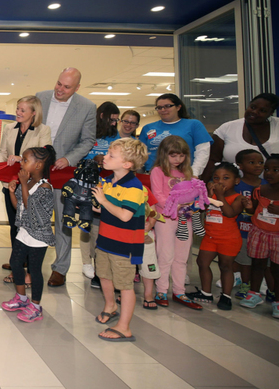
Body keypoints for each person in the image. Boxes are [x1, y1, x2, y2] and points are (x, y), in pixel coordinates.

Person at [36, 67, 96, 287]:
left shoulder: (87, 107)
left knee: (63, 221)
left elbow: (87, 141)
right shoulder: (40, 97)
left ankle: (60, 268)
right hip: (37, 170)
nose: (60, 89)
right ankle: (31, 262)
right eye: (59, 83)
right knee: (35, 218)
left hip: (63, 173)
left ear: (77, 88)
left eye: (67, 87)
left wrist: (69, 159)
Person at [91, 138, 149, 342]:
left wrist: (103, 200)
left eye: (111, 155)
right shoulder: (107, 181)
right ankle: (110, 306)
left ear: (127, 164)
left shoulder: (134, 187)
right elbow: (100, 209)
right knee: (104, 275)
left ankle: (124, 327)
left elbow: (125, 215)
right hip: (105, 239)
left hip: (125, 245)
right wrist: (92, 202)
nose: (105, 157)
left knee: (125, 285)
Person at [0, 96, 52, 283]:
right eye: (17, 109)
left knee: (31, 227)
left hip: (33, 187)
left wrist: (20, 158)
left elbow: (46, 155)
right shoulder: (8, 128)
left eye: (22, 110)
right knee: (16, 226)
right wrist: (0, 169)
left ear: (33, 112)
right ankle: (17, 266)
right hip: (11, 185)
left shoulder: (43, 130)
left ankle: (30, 271)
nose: (18, 112)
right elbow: (2, 153)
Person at [1, 146, 57, 322]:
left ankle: (36, 306)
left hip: (38, 235)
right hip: (24, 230)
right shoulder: (29, 182)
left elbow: (32, 209)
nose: (21, 163)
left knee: (34, 270)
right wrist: (12, 192)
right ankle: (21, 298)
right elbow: (20, 207)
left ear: (38, 165)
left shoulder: (45, 188)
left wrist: (23, 184)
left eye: (25, 160)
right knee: (15, 263)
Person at [151, 136, 203, 310]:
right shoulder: (158, 171)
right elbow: (157, 196)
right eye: (173, 156)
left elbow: (193, 194)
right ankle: (161, 290)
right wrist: (176, 206)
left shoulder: (187, 173)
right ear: (164, 155)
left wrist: (192, 204)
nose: (178, 160)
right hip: (165, 219)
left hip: (184, 219)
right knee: (165, 256)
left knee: (181, 257)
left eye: (181, 156)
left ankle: (179, 291)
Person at [187, 162, 245, 311]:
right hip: (210, 237)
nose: (220, 181)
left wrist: (219, 195)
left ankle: (226, 296)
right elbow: (201, 209)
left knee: (225, 266)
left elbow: (230, 213)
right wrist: (207, 194)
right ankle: (206, 293)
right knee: (202, 262)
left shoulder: (238, 198)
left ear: (236, 180)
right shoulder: (211, 195)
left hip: (229, 239)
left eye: (226, 178)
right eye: (216, 178)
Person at [79, 101, 120, 283]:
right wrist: (93, 159)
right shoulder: (87, 130)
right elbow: (78, 153)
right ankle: (86, 261)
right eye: (111, 120)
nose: (114, 124)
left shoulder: (115, 135)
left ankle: (100, 264)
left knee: (102, 224)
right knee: (87, 222)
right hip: (88, 183)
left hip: (109, 185)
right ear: (101, 116)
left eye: (116, 121)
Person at [202, 93, 279, 181]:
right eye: (252, 107)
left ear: (271, 113)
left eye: (262, 110)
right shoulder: (227, 128)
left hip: (272, 189)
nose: (255, 112)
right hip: (231, 189)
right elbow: (212, 160)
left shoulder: (277, 126)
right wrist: (204, 185)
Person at [240, 154, 279, 316]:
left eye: (275, 170)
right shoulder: (260, 190)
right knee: (258, 264)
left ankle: (277, 301)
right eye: (267, 169)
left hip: (277, 235)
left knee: (277, 269)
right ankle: (254, 293)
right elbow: (253, 209)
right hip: (259, 232)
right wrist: (248, 206)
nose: (269, 173)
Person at [139, 93, 212, 176]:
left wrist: (194, 173)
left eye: (167, 106)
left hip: (184, 175)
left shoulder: (194, 125)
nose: (163, 110)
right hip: (153, 175)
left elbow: (203, 151)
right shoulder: (148, 128)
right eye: (159, 107)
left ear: (178, 107)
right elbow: (141, 155)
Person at [233, 149, 268, 299]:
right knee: (244, 260)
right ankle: (245, 284)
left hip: (262, 230)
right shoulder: (236, 184)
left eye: (260, 162)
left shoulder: (267, 185)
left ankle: (269, 289)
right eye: (252, 162)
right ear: (240, 165)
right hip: (241, 230)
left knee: (265, 263)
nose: (257, 166)